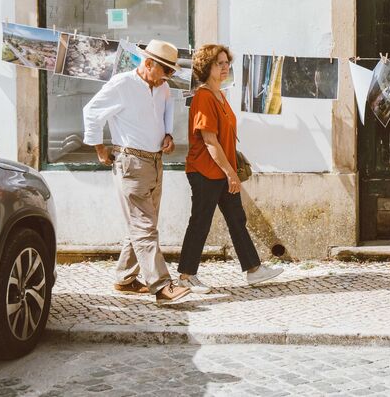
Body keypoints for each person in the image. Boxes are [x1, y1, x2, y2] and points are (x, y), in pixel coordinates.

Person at [83, 39, 191, 305]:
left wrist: (168, 134)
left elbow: (166, 109)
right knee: (144, 226)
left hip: (155, 162)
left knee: (144, 224)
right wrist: (100, 149)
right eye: (165, 70)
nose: (168, 76)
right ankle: (162, 286)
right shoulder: (122, 84)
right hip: (130, 161)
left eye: (171, 71)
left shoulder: (162, 87)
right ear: (149, 63)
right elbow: (92, 112)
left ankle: (125, 278)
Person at [177, 44, 283, 293]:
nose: (225, 67)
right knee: (200, 222)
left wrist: (229, 170)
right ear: (207, 67)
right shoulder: (204, 97)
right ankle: (186, 276)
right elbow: (209, 141)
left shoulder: (220, 95)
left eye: (227, 63)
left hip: (222, 170)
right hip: (205, 171)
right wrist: (230, 173)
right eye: (219, 63)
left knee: (237, 219)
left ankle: (254, 270)